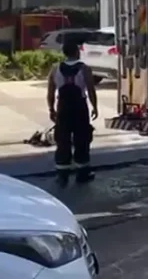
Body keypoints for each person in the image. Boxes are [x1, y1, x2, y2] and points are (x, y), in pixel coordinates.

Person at [46, 40, 99, 187]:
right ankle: (82, 174)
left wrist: (51, 109)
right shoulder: (85, 69)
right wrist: (95, 106)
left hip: (63, 107)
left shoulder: (55, 69)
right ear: (77, 51)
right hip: (80, 108)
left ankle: (62, 175)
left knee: (62, 139)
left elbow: (50, 92)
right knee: (82, 138)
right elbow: (90, 89)